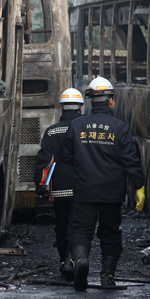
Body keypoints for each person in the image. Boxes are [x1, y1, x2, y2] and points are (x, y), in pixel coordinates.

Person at [62, 77, 145, 291]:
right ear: (110, 101)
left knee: (81, 229)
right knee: (110, 232)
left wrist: (83, 166)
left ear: (90, 102)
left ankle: (81, 261)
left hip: (84, 190)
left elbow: (64, 156)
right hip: (112, 192)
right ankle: (107, 276)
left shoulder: (76, 125)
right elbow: (132, 161)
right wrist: (139, 187)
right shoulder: (121, 128)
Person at [34, 88, 84, 279]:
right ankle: (74, 258)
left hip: (58, 189)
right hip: (81, 188)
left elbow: (45, 160)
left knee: (61, 225)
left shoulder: (51, 131)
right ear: (80, 108)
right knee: (77, 225)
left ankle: (64, 260)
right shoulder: (84, 128)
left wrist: (40, 184)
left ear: (61, 108)